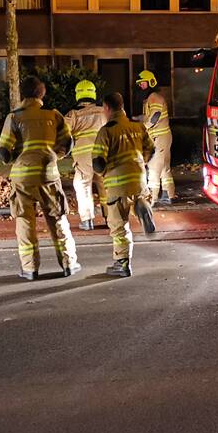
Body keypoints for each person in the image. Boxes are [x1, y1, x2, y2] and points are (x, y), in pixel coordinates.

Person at [0, 75, 80, 281]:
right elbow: (68, 143)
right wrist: (55, 156)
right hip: (48, 175)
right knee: (58, 219)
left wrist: (18, 158)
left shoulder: (14, 117)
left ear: (22, 94)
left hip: (23, 178)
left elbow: (3, 152)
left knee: (25, 223)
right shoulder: (54, 115)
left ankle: (30, 269)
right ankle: (69, 264)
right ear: (42, 94)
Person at [92, 92, 156, 278]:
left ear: (107, 108)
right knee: (136, 198)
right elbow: (150, 150)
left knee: (119, 226)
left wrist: (103, 173)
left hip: (117, 185)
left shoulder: (107, 131)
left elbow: (98, 162)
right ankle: (142, 206)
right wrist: (139, 163)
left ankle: (122, 264)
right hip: (138, 180)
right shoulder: (137, 126)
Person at [63, 80, 106, 231]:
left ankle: (87, 220)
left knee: (83, 186)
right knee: (105, 185)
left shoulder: (73, 114)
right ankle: (110, 218)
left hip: (83, 158)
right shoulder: (103, 111)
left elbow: (64, 136)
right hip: (103, 155)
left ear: (78, 95)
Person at [135, 70, 175, 205]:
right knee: (164, 167)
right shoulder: (150, 99)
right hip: (163, 136)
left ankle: (153, 198)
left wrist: (144, 127)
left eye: (143, 83)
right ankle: (168, 194)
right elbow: (149, 115)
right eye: (140, 84)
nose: (141, 86)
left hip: (159, 137)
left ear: (151, 82)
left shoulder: (154, 97)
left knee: (153, 166)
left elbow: (155, 115)